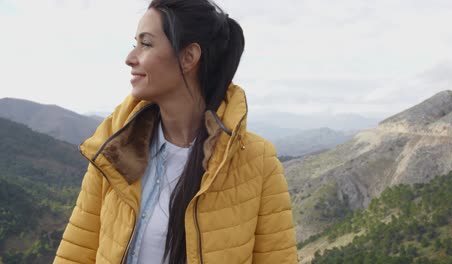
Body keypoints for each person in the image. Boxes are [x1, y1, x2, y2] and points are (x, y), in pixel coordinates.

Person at [53, 0, 297, 263]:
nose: (130, 58)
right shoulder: (114, 148)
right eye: (134, 43)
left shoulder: (258, 162)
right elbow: (76, 255)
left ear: (188, 57)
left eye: (145, 44)